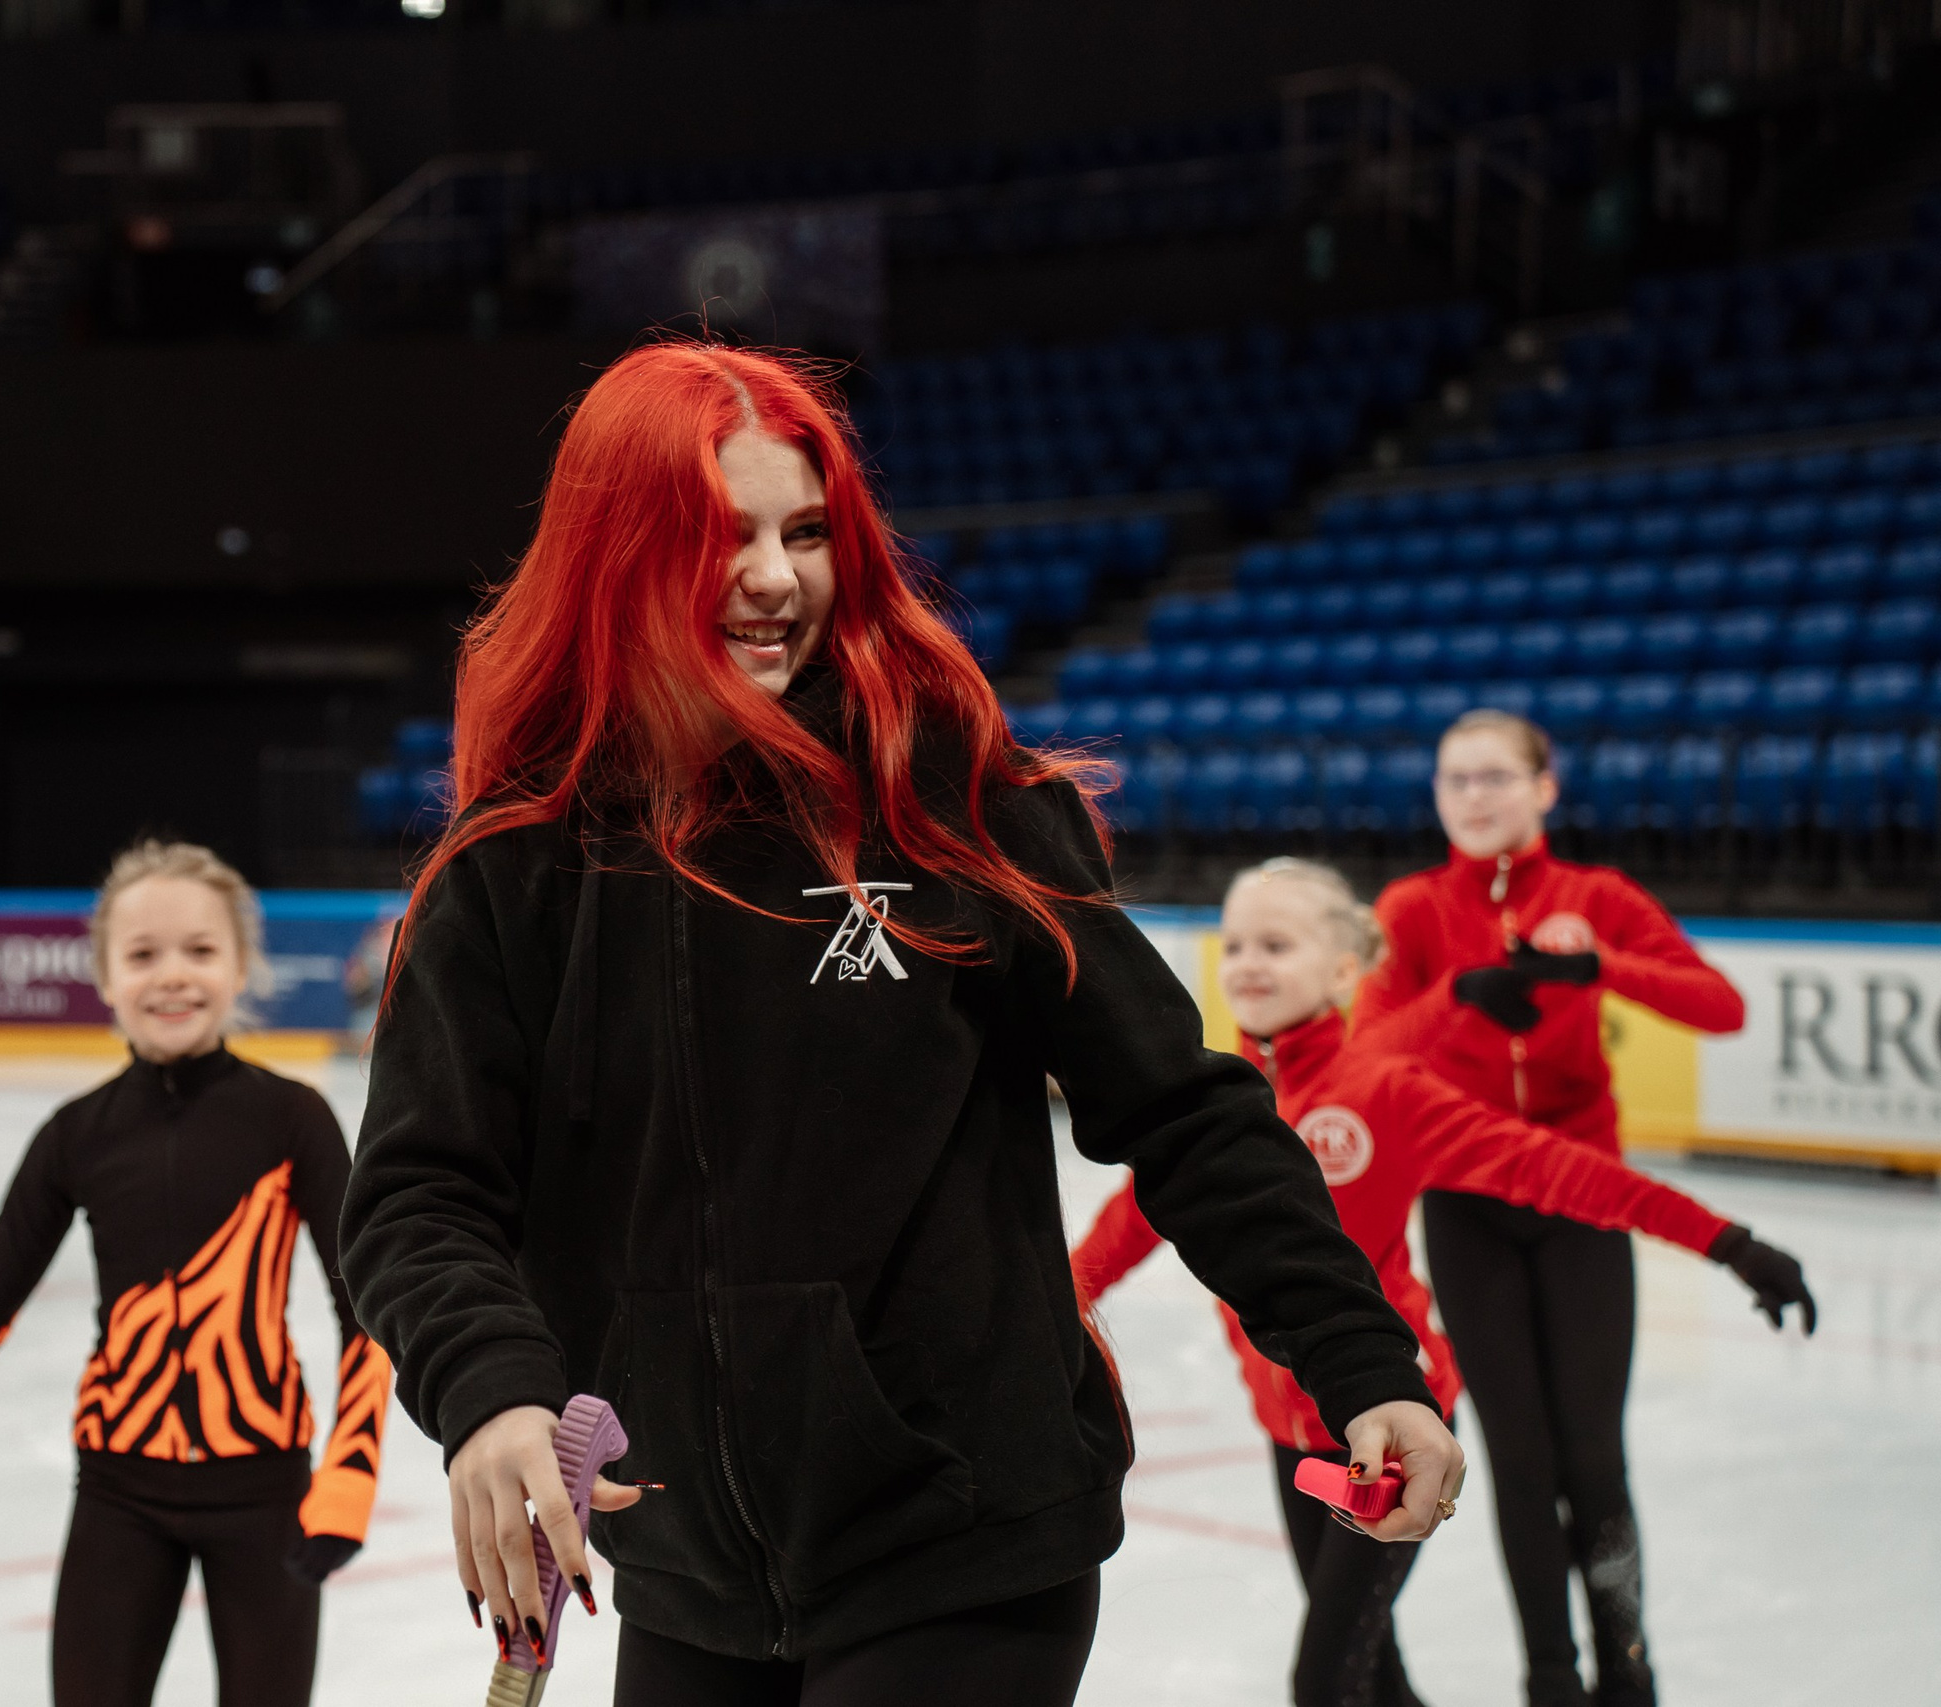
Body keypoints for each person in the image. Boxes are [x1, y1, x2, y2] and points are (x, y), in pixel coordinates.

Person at [337, 341, 1464, 1707]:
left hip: (968, 1541)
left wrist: (1354, 1354)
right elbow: (419, 1186)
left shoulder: (949, 801)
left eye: (806, 532)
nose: (773, 575)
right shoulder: (517, 862)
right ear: (617, 549)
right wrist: (491, 1389)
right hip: (688, 1565)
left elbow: (1181, 1108)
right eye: (718, 535)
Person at [1071, 858, 1814, 1707]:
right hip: (1290, 1429)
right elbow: (1125, 1231)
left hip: (1392, 1425)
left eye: (1277, 943)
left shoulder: (1386, 1089)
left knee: (1324, 1683)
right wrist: (1044, 1308)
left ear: (1346, 971)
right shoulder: (1219, 1109)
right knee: (1371, 1673)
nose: (1248, 962)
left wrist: (1731, 1242)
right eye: (1236, 943)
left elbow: (1570, 1173)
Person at [0, 840, 391, 1707]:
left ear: (241, 967)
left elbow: (362, 1306)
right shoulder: (76, 1133)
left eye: (201, 951)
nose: (173, 975)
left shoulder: (292, 1118)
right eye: (142, 954)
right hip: (119, 1493)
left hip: (264, 1491)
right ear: (103, 976)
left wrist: (348, 1473)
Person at [1350, 708, 1751, 1707]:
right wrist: (1457, 999)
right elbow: (1363, 1058)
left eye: (1494, 777)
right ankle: (1549, 1676)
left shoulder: (1593, 897)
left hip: (1579, 1200)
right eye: (1455, 781)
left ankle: (1626, 1665)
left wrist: (1599, 966)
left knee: (1591, 1455)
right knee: (1519, 1462)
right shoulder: (1409, 911)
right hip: (1467, 1203)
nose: (1473, 798)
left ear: (1544, 787)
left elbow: (1720, 1006)